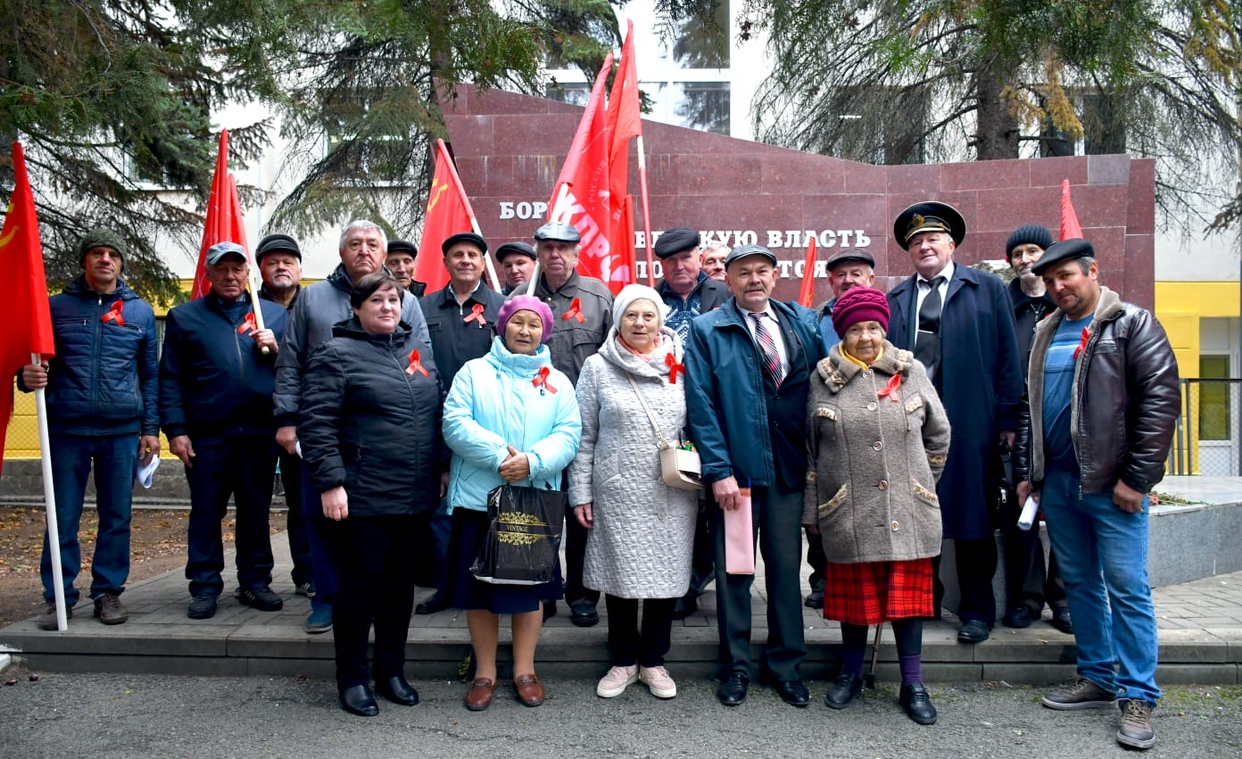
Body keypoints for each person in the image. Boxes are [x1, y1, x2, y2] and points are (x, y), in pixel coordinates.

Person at [1014, 238, 1179, 751]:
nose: (1060, 287)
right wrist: (1029, 470)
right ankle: (1099, 678)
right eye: (1052, 280)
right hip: (1059, 483)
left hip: (1114, 485)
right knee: (1082, 584)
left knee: (1127, 587)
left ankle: (1137, 695)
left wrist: (1139, 479)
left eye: (1069, 276)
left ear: (1093, 271)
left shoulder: (1131, 324)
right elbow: (1031, 407)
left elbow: (1160, 402)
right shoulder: (1045, 330)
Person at [684, 243, 825, 708]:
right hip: (737, 478)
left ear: (775, 275)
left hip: (788, 474)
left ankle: (786, 666)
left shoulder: (801, 323)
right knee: (736, 573)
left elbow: (823, 385)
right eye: (744, 273)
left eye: (762, 271)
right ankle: (736, 668)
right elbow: (701, 403)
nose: (754, 280)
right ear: (729, 279)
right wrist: (719, 470)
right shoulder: (708, 330)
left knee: (786, 572)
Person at [274, 220, 431, 634]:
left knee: (383, 555)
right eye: (355, 244)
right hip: (326, 433)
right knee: (325, 519)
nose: (364, 250)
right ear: (342, 252)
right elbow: (291, 361)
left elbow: (423, 363)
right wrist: (288, 419)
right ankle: (325, 597)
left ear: (383, 253)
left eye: (372, 244)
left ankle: (373, 616)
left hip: (386, 451)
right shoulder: (313, 298)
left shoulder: (407, 301)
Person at [803, 286, 951, 725]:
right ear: (842, 333)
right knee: (855, 603)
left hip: (908, 510)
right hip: (848, 512)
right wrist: (814, 512)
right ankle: (849, 674)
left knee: (908, 603)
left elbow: (938, 435)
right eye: (855, 329)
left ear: (884, 329)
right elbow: (811, 451)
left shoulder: (911, 371)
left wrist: (920, 483)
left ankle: (913, 681)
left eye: (873, 327)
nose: (865, 336)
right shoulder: (822, 378)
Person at [298, 272, 442, 717]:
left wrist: (438, 469)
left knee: (399, 590)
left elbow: (434, 414)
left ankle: (391, 671)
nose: (387, 307)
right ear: (356, 309)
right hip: (360, 497)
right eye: (376, 300)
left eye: (393, 300)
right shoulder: (335, 354)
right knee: (359, 590)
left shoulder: (415, 352)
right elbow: (316, 425)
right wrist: (331, 482)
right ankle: (353, 678)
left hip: (413, 495)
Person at [885, 201, 1023, 644]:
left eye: (932, 239)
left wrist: (1006, 416)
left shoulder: (985, 289)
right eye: (916, 242)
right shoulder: (897, 299)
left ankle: (977, 609)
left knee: (973, 518)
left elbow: (1008, 356)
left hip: (971, 423)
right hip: (912, 427)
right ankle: (924, 600)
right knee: (917, 514)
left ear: (951, 244)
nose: (924, 246)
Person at [442, 295, 582, 711]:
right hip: (479, 500)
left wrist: (533, 463)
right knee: (479, 590)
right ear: (502, 327)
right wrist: (502, 456)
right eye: (517, 322)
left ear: (545, 332)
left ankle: (525, 669)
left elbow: (568, 433)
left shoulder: (557, 381)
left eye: (533, 324)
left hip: (531, 500)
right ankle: (485, 671)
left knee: (529, 591)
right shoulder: (474, 372)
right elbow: (454, 422)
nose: (525, 330)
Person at [18, 229, 159, 629]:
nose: (105, 260)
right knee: (62, 515)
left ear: (121, 263)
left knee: (117, 515)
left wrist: (150, 428)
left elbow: (150, 375)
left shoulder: (140, 313)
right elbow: (31, 365)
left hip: (121, 431)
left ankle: (108, 593)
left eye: (113, 254)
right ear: (85, 260)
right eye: (97, 253)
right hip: (66, 429)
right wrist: (25, 377)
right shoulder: (54, 308)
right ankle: (59, 597)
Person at [569, 285, 698, 700]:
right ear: (618, 320)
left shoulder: (680, 362)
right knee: (620, 576)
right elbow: (584, 436)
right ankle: (623, 659)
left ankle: (654, 661)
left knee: (666, 573)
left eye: (648, 315)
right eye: (631, 316)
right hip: (618, 489)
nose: (640, 323)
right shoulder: (597, 366)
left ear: (660, 319)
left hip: (671, 489)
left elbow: (695, 423)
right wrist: (581, 493)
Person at [160, 242, 288, 620]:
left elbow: (296, 373)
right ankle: (203, 586)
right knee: (205, 513)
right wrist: (176, 430)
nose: (230, 277)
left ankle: (255, 581)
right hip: (207, 436)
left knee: (255, 511)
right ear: (208, 275)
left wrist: (276, 348)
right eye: (222, 270)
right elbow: (170, 378)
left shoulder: (275, 316)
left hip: (258, 434)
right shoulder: (185, 317)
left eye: (237, 269)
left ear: (248, 273)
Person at [527, 220, 613, 627]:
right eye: (547, 248)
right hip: (536, 428)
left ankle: (582, 594)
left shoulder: (598, 298)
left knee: (582, 514)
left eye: (564, 248)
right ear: (538, 253)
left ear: (578, 253)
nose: (555, 255)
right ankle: (543, 592)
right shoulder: (521, 298)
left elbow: (616, 358)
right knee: (541, 513)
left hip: (587, 430)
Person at [415, 231, 506, 616]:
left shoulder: (503, 307)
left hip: (488, 425)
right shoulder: (422, 307)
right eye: (457, 255)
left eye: (473, 255)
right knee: (441, 512)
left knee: (486, 511)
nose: (466, 260)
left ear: (483, 264)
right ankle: (444, 586)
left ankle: (491, 586)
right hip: (435, 419)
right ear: (446, 263)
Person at [651, 227, 728, 620]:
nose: (679, 266)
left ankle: (701, 576)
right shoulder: (651, 301)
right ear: (661, 265)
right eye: (670, 261)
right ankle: (680, 582)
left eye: (686, 258)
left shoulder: (724, 296)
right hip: (667, 418)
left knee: (709, 503)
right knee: (680, 500)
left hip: (714, 414)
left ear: (699, 257)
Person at [1000, 225, 1071, 634]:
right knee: (1018, 514)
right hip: (1016, 428)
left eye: (1033, 251)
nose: (1025, 259)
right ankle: (1026, 598)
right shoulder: (1001, 305)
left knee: (1062, 511)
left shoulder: (1062, 304)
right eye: (1018, 253)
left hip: (1060, 425)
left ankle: (1062, 597)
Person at [802, 246, 878, 611]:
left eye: (857, 273)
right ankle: (821, 579)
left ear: (871, 279)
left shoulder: (883, 317)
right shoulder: (814, 321)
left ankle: (868, 581)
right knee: (822, 503)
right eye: (841, 275)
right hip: (827, 423)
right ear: (830, 281)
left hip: (872, 421)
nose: (849, 280)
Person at [256, 233, 315, 602]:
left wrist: (281, 353)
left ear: (299, 269)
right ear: (260, 269)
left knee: (302, 502)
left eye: (288, 261)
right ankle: (256, 580)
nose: (281, 267)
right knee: (254, 504)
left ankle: (306, 573)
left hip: (299, 420)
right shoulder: (246, 304)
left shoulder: (313, 306)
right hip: (255, 422)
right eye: (273, 261)